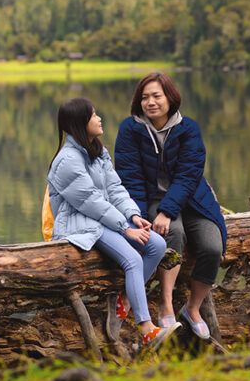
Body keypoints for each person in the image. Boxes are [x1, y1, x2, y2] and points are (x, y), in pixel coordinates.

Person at [47, 97, 180, 349]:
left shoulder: (97, 150)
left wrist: (133, 216)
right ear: (79, 123)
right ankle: (147, 329)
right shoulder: (67, 161)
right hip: (80, 224)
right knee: (133, 259)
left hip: (105, 219)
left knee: (157, 245)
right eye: (93, 115)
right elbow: (90, 202)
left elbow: (115, 189)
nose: (99, 118)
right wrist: (124, 229)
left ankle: (123, 302)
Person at [114, 72, 226, 341]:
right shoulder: (130, 130)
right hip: (152, 200)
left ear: (170, 98)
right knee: (171, 233)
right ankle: (166, 305)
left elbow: (189, 176)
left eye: (156, 96)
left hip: (192, 199)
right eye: (144, 97)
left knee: (213, 246)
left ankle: (193, 308)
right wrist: (137, 217)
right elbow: (130, 178)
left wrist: (168, 210)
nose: (150, 102)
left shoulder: (188, 129)